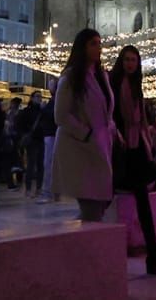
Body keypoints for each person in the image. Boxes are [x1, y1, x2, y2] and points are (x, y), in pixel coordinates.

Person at [110, 43, 156, 274]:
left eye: (133, 60)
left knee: (144, 203)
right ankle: (151, 255)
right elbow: (113, 116)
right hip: (123, 147)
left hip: (135, 147)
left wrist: (147, 148)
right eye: (126, 59)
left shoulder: (136, 85)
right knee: (133, 201)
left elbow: (141, 121)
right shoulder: (115, 83)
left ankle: (154, 254)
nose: (129, 63)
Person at [51, 30, 116, 225]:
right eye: (93, 44)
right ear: (82, 47)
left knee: (101, 202)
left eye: (99, 43)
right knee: (92, 207)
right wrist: (86, 134)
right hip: (79, 149)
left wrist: (111, 128)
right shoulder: (71, 78)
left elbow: (106, 109)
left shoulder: (101, 75)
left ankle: (83, 245)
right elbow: (61, 115)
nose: (99, 48)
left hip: (99, 146)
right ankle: (86, 249)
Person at [34, 77, 60, 203]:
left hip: (51, 135)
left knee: (48, 164)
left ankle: (48, 192)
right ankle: (54, 192)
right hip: (53, 134)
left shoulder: (55, 102)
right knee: (52, 164)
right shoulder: (56, 101)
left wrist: (43, 109)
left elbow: (54, 116)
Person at [19, 90, 46, 196]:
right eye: (37, 96)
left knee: (40, 165)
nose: (39, 98)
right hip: (32, 141)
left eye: (40, 96)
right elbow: (20, 124)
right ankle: (28, 188)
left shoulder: (42, 111)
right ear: (32, 98)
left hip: (41, 139)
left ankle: (38, 188)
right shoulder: (27, 111)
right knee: (31, 164)